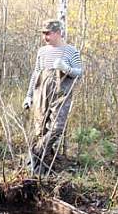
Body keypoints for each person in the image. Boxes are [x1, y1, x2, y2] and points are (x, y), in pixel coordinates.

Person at [23, 19, 82, 173]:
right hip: (40, 94)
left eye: (47, 34)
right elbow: (36, 73)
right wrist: (29, 96)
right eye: (44, 34)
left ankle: (34, 153)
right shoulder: (42, 51)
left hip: (61, 94)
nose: (45, 37)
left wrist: (66, 68)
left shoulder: (71, 51)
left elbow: (79, 73)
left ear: (57, 33)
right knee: (39, 130)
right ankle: (39, 171)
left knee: (57, 128)